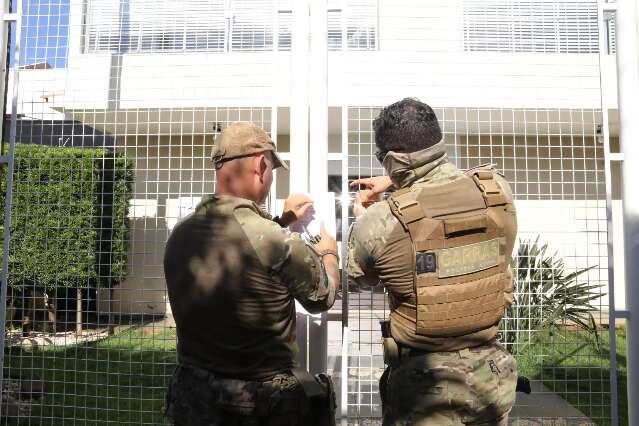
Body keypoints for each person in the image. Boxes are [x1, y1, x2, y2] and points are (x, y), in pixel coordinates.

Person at [348, 98, 518, 425]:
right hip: (492, 379)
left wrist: (365, 216)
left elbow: (360, 279)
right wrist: (401, 183)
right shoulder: (497, 192)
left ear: (393, 160)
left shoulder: (380, 221)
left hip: (425, 389)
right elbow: (456, 184)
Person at [163, 121, 340, 426]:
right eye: (271, 170)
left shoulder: (181, 232)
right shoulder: (272, 239)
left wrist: (281, 222)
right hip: (258, 406)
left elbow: (236, 251)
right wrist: (328, 252)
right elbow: (321, 297)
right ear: (261, 165)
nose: (270, 179)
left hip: (195, 400)